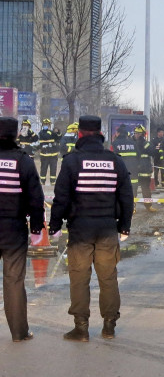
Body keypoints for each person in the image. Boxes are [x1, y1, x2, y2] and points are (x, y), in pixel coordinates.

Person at [49, 115, 134, 341]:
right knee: (108, 277)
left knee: (79, 278)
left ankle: (81, 327)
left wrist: (54, 225)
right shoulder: (115, 160)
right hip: (107, 228)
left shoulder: (72, 161)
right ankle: (109, 326)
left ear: (80, 134)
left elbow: (61, 198)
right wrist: (124, 227)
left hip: (80, 231)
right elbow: (126, 196)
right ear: (100, 133)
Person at [0, 117, 45, 342]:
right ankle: (19, 333)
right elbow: (35, 197)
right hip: (13, 228)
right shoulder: (22, 161)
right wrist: (36, 225)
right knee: (14, 280)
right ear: (16, 135)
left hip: (12, 225)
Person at [111, 125, 139, 205]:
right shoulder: (133, 143)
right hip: (133, 170)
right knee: (133, 187)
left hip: (120, 170)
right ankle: (133, 205)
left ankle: (121, 205)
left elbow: (112, 157)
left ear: (118, 133)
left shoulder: (114, 144)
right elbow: (138, 156)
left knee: (120, 188)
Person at [133, 124, 156, 212]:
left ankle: (148, 206)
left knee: (146, 190)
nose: (137, 135)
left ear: (143, 134)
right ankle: (132, 207)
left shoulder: (146, 143)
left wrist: (146, 144)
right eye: (136, 133)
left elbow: (153, 152)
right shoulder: (131, 143)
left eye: (139, 133)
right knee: (133, 190)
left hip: (144, 170)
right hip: (134, 171)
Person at [38, 118, 61, 185]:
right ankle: (42, 181)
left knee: (53, 169)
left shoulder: (52, 132)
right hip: (44, 155)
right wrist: (52, 133)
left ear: (49, 125)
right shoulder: (41, 133)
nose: (46, 125)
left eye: (47, 124)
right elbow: (45, 137)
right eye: (45, 124)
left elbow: (58, 138)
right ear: (42, 125)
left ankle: (53, 181)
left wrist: (58, 132)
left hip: (53, 155)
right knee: (43, 169)